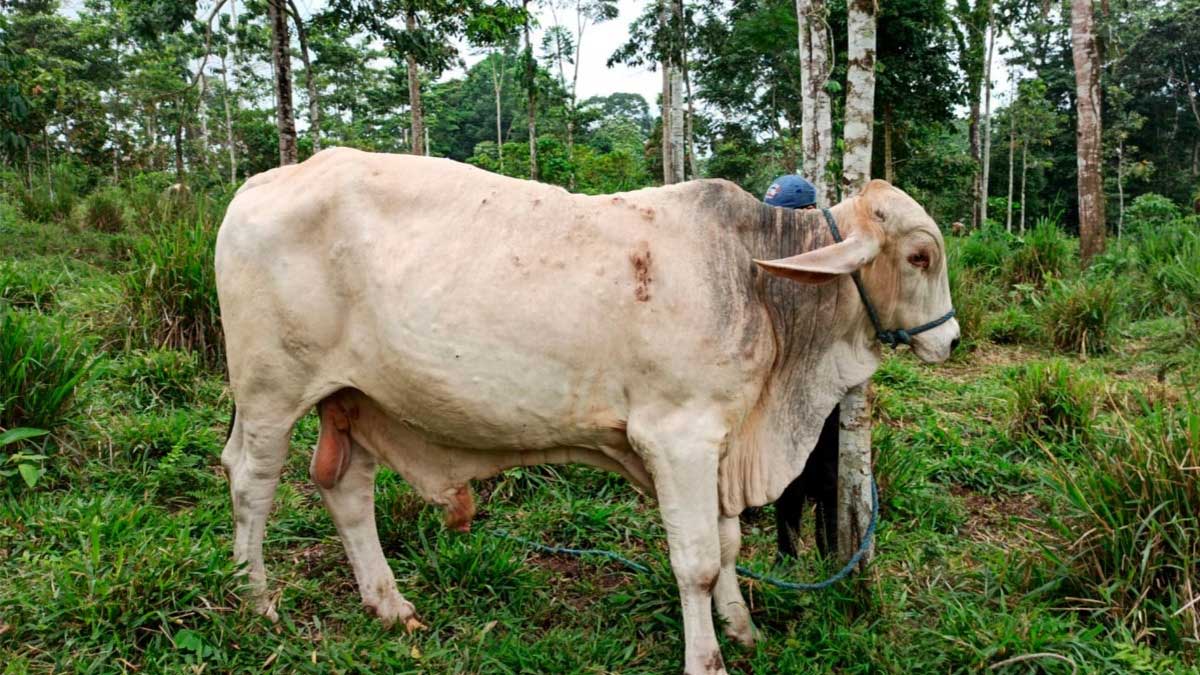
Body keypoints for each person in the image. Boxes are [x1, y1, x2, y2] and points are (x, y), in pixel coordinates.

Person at [762, 174, 841, 560]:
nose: (781, 226)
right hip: (782, 386)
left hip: (825, 384)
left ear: (809, 213)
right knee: (787, 472)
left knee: (827, 473)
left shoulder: (837, 259)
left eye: (789, 218)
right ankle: (786, 553)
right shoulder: (771, 257)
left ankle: (831, 556)